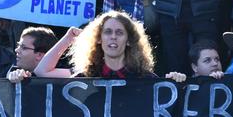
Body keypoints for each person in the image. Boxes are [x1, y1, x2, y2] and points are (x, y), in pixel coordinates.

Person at [33, 11, 161, 78]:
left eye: (120, 33)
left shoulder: (144, 78)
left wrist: (176, 81)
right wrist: (67, 39)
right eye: (108, 32)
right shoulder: (84, 76)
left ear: (129, 40)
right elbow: (41, 72)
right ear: (98, 38)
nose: (113, 37)